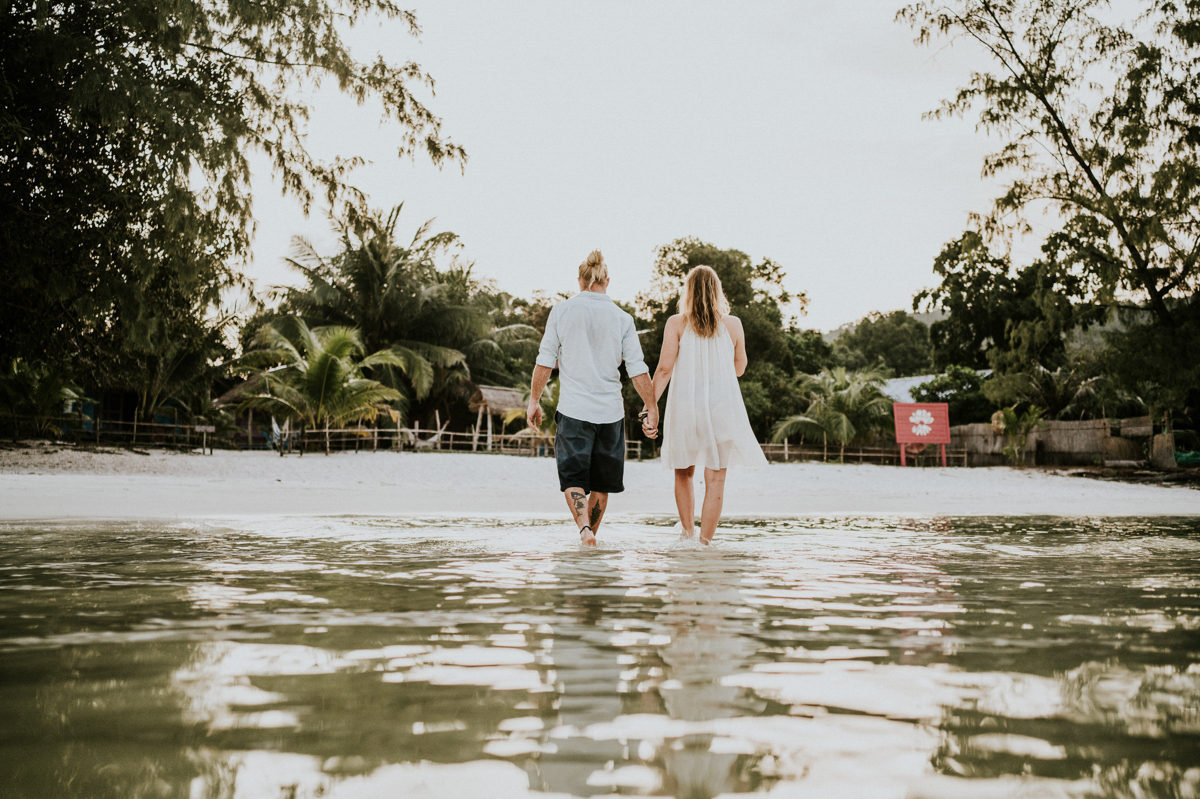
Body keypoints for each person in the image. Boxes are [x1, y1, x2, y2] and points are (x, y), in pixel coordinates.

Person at [528, 250, 659, 547]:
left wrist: (534, 400)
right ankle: (592, 539)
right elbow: (637, 369)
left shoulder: (561, 311)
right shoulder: (623, 318)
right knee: (602, 483)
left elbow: (545, 360)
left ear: (579, 280)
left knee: (573, 476)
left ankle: (584, 531)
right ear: (607, 281)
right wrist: (651, 407)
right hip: (610, 413)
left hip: (574, 410)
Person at [646, 265, 767, 544]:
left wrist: (649, 407)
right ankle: (704, 543)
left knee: (684, 472)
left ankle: (687, 534)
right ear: (717, 291)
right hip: (723, 408)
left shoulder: (676, 323)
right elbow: (739, 369)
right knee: (716, 480)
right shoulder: (733, 324)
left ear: (687, 291)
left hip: (686, 407)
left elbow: (663, 370)